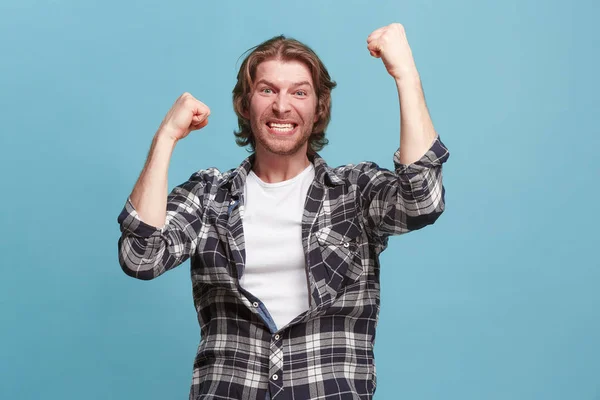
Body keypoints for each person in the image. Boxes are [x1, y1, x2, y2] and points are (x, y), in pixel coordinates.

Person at [117, 23, 449, 400]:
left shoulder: (353, 192)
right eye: (267, 90)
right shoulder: (208, 196)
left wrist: (404, 73)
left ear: (318, 107)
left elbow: (422, 200)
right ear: (245, 103)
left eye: (299, 92)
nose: (281, 105)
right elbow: (140, 256)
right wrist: (166, 137)